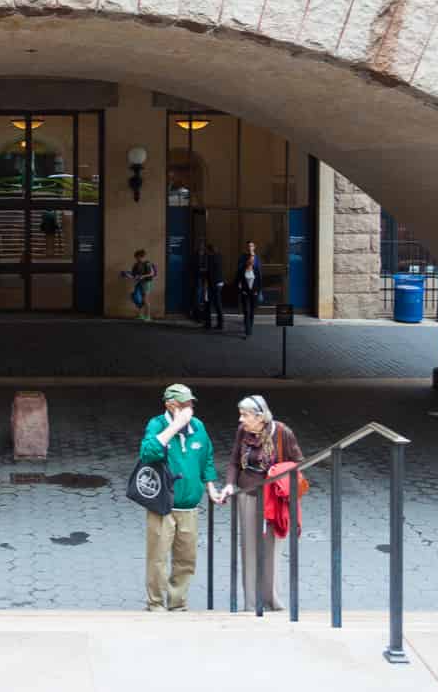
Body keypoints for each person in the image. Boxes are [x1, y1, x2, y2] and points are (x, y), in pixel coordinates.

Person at [137, 384, 222, 611]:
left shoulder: (198, 427)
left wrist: (211, 488)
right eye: (183, 405)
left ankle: (178, 604)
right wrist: (175, 426)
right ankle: (155, 604)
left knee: (186, 559)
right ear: (170, 405)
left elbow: (207, 458)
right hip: (163, 505)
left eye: (190, 404)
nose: (189, 409)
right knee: (157, 557)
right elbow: (148, 452)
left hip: (189, 506)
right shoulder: (157, 424)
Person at [219, 395, 302, 612]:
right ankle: (251, 604)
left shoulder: (283, 432)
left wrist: (279, 475)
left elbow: (299, 463)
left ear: (260, 416)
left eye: (245, 415)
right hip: (247, 496)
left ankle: (272, 601)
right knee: (248, 549)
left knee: (272, 550)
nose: (241, 419)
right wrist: (229, 484)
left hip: (273, 500)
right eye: (241, 414)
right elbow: (234, 461)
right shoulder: (243, 432)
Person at [236, 241, 263, 339]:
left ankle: (249, 327)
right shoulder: (243, 258)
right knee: (246, 311)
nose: (249, 247)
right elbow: (238, 272)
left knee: (252, 310)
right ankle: (248, 331)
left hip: (254, 289)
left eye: (251, 246)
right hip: (245, 289)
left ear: (254, 247)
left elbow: (259, 276)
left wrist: (259, 291)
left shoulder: (257, 260)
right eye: (248, 246)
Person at [121, 250, 157, 322]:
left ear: (142, 256)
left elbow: (152, 273)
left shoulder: (147, 263)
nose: (137, 259)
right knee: (137, 298)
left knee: (145, 299)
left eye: (138, 257)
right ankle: (141, 315)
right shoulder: (136, 264)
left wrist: (142, 276)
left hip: (147, 283)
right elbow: (134, 275)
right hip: (139, 283)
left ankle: (148, 317)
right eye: (136, 257)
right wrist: (127, 275)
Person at [201, 243, 225, 331]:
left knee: (208, 303)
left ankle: (208, 323)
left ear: (208, 250)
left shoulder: (210, 258)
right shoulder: (220, 256)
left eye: (206, 250)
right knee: (218, 304)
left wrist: (203, 271)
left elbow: (209, 272)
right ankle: (220, 323)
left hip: (212, 284)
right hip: (219, 283)